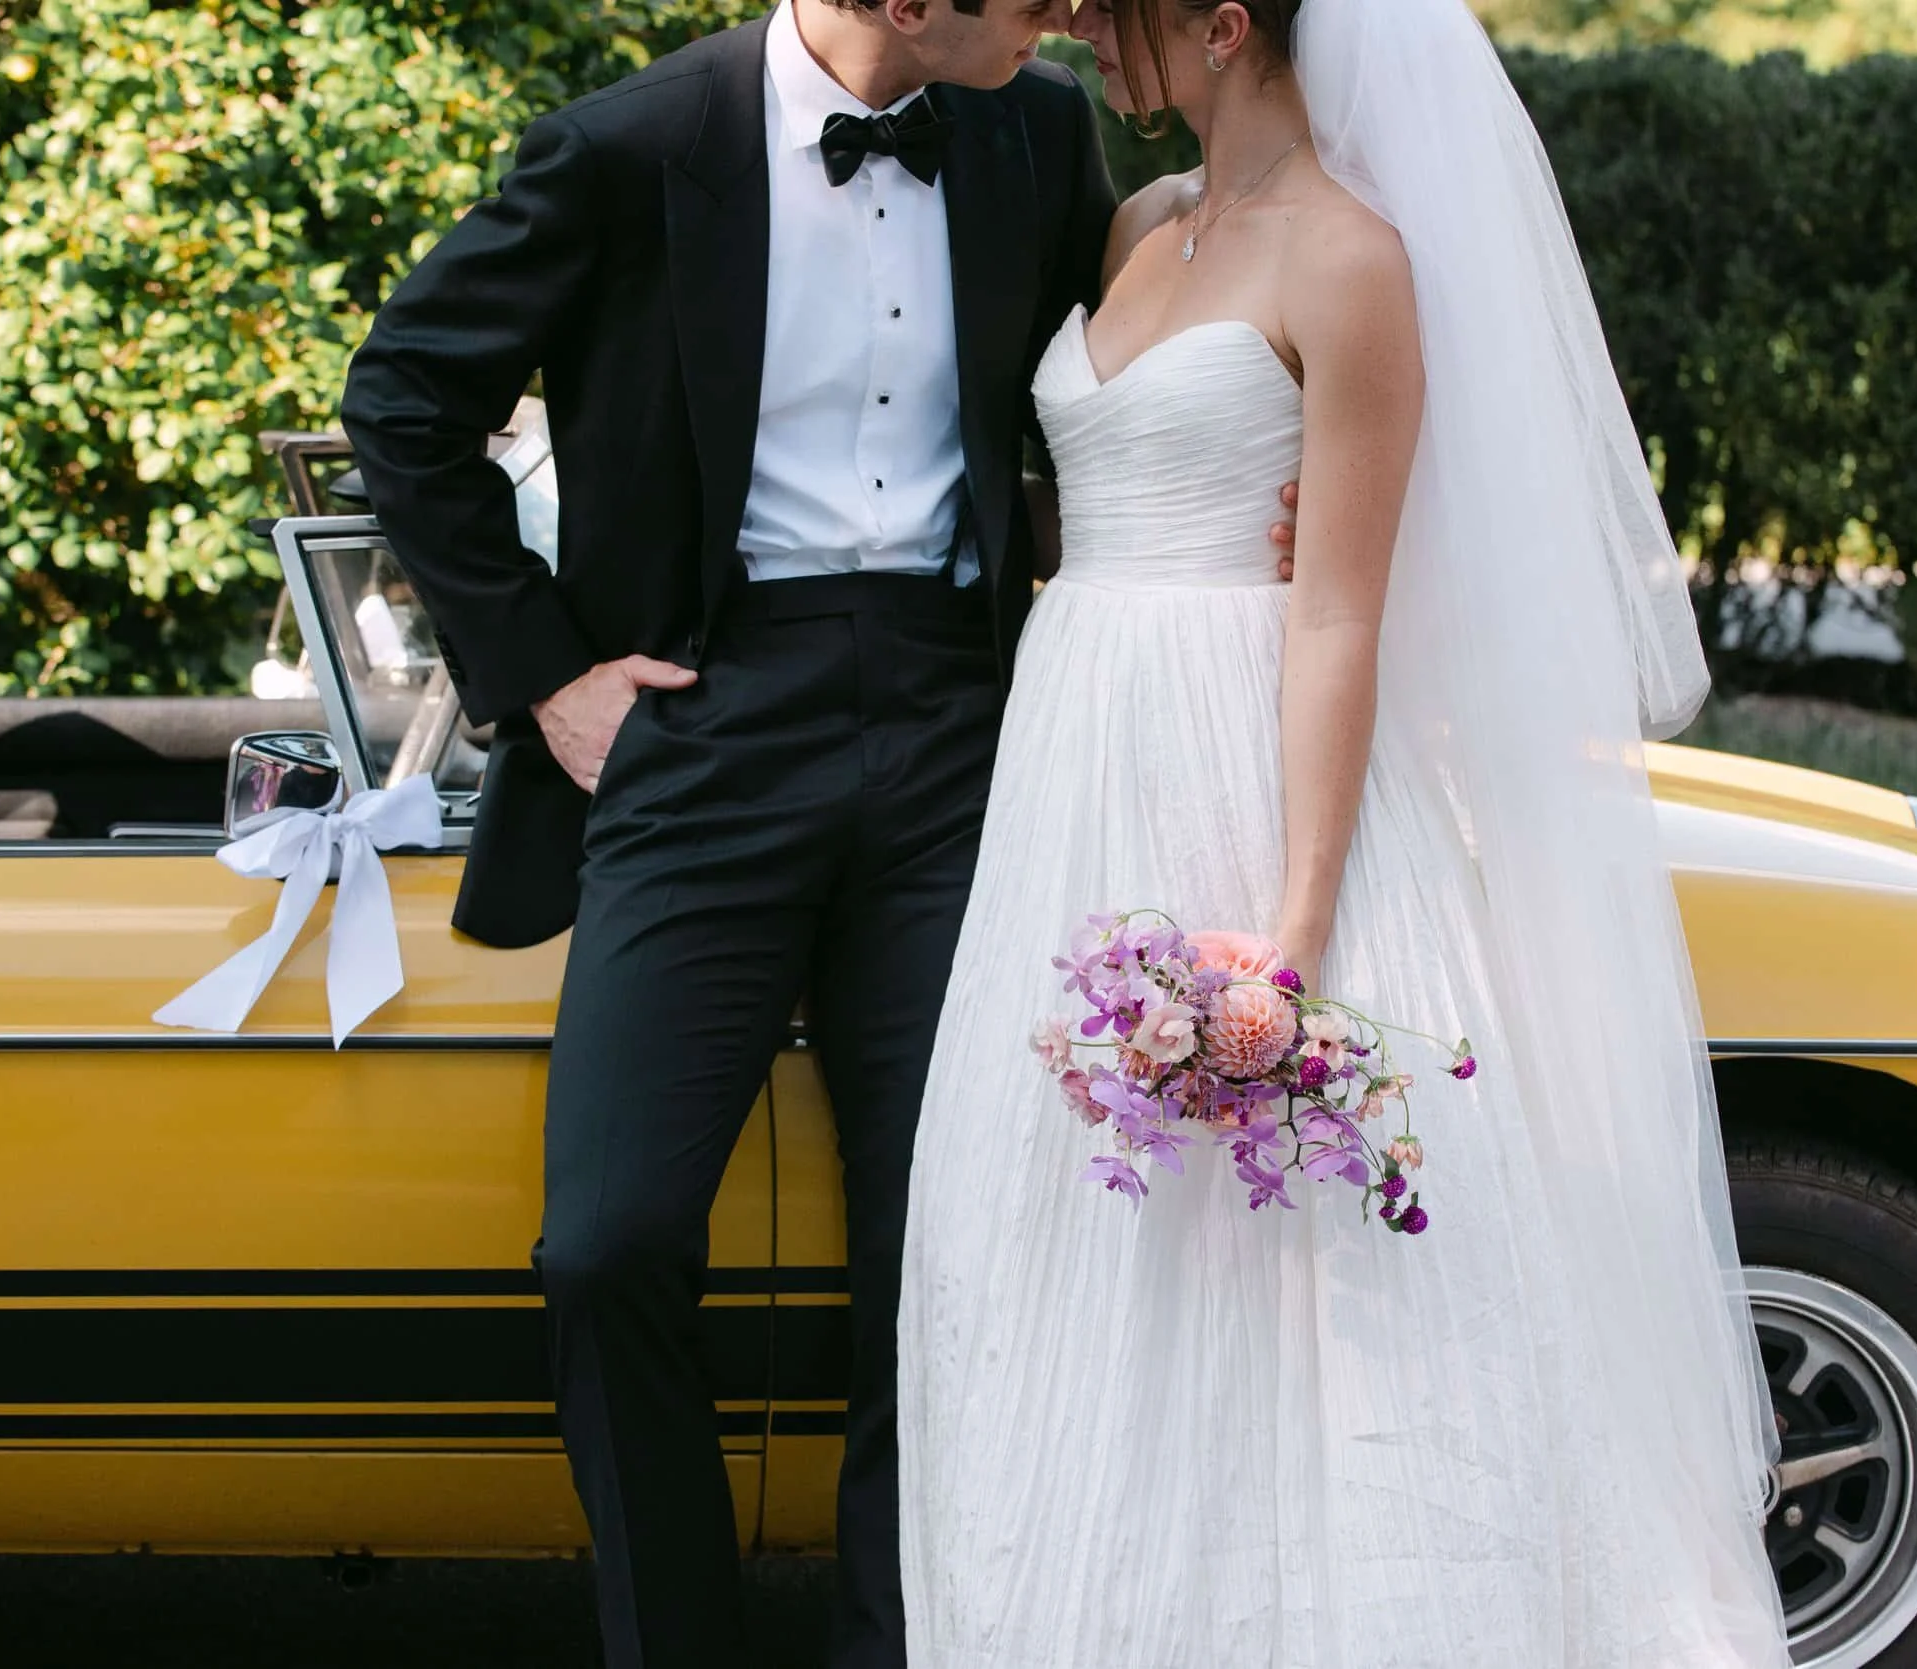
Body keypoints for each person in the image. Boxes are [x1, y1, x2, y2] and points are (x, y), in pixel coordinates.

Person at [341, 1, 1302, 1661]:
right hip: (703, 727)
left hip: (965, 734)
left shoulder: (1041, 130)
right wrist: (548, 674)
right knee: (610, 1243)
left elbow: (1139, 376)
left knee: (949, 1249)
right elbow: (404, 396)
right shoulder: (629, 147)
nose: (1067, 7)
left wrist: (1265, 487)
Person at [895, 0, 1798, 1663]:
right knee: (1072, 1244)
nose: (1087, 28)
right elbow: (1096, 496)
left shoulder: (1353, 264)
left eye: (1124, 11)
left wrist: (1294, 922)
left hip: (1245, 761)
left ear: (1228, 26)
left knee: (1290, 1282)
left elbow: (1337, 621)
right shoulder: (1144, 220)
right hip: (1072, 754)